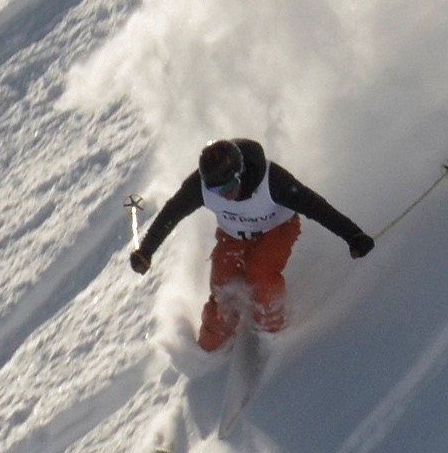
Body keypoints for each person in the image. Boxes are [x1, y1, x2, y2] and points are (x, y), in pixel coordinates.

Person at [130, 138, 374, 351]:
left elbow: (316, 207)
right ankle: (212, 346)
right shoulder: (201, 186)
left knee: (260, 273)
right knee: (223, 287)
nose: (224, 195)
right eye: (217, 190)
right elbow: (171, 214)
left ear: (241, 173)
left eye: (228, 187)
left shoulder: (272, 181)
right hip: (233, 236)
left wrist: (353, 235)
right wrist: (146, 251)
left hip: (277, 230)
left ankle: (273, 333)